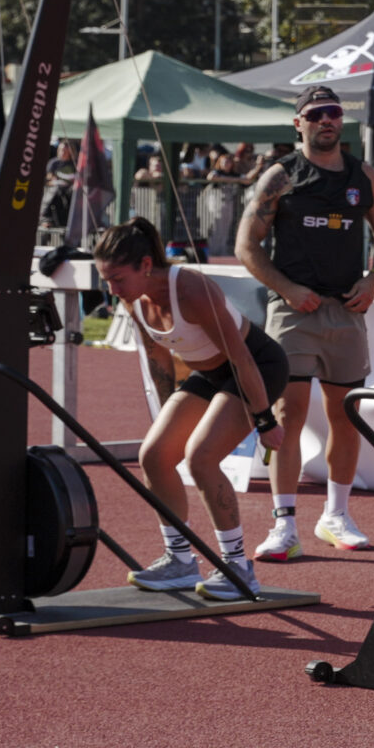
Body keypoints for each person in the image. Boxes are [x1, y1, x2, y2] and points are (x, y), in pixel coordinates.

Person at [95, 217, 288, 601]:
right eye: (106, 281)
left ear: (145, 265)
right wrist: (167, 413)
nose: (112, 289)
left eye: (117, 279)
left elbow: (241, 358)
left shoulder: (191, 290)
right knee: (154, 455)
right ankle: (180, 561)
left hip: (256, 367)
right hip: (209, 374)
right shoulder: (133, 299)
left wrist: (265, 420)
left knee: (201, 458)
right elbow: (158, 358)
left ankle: (238, 568)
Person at [239, 89, 374, 561]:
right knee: (287, 417)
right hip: (294, 313)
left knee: (346, 416)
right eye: (316, 114)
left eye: (334, 113)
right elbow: (247, 245)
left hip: (346, 311)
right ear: (298, 123)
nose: (327, 120)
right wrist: (287, 289)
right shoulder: (281, 176)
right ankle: (284, 525)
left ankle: (336, 515)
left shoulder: (363, 175)